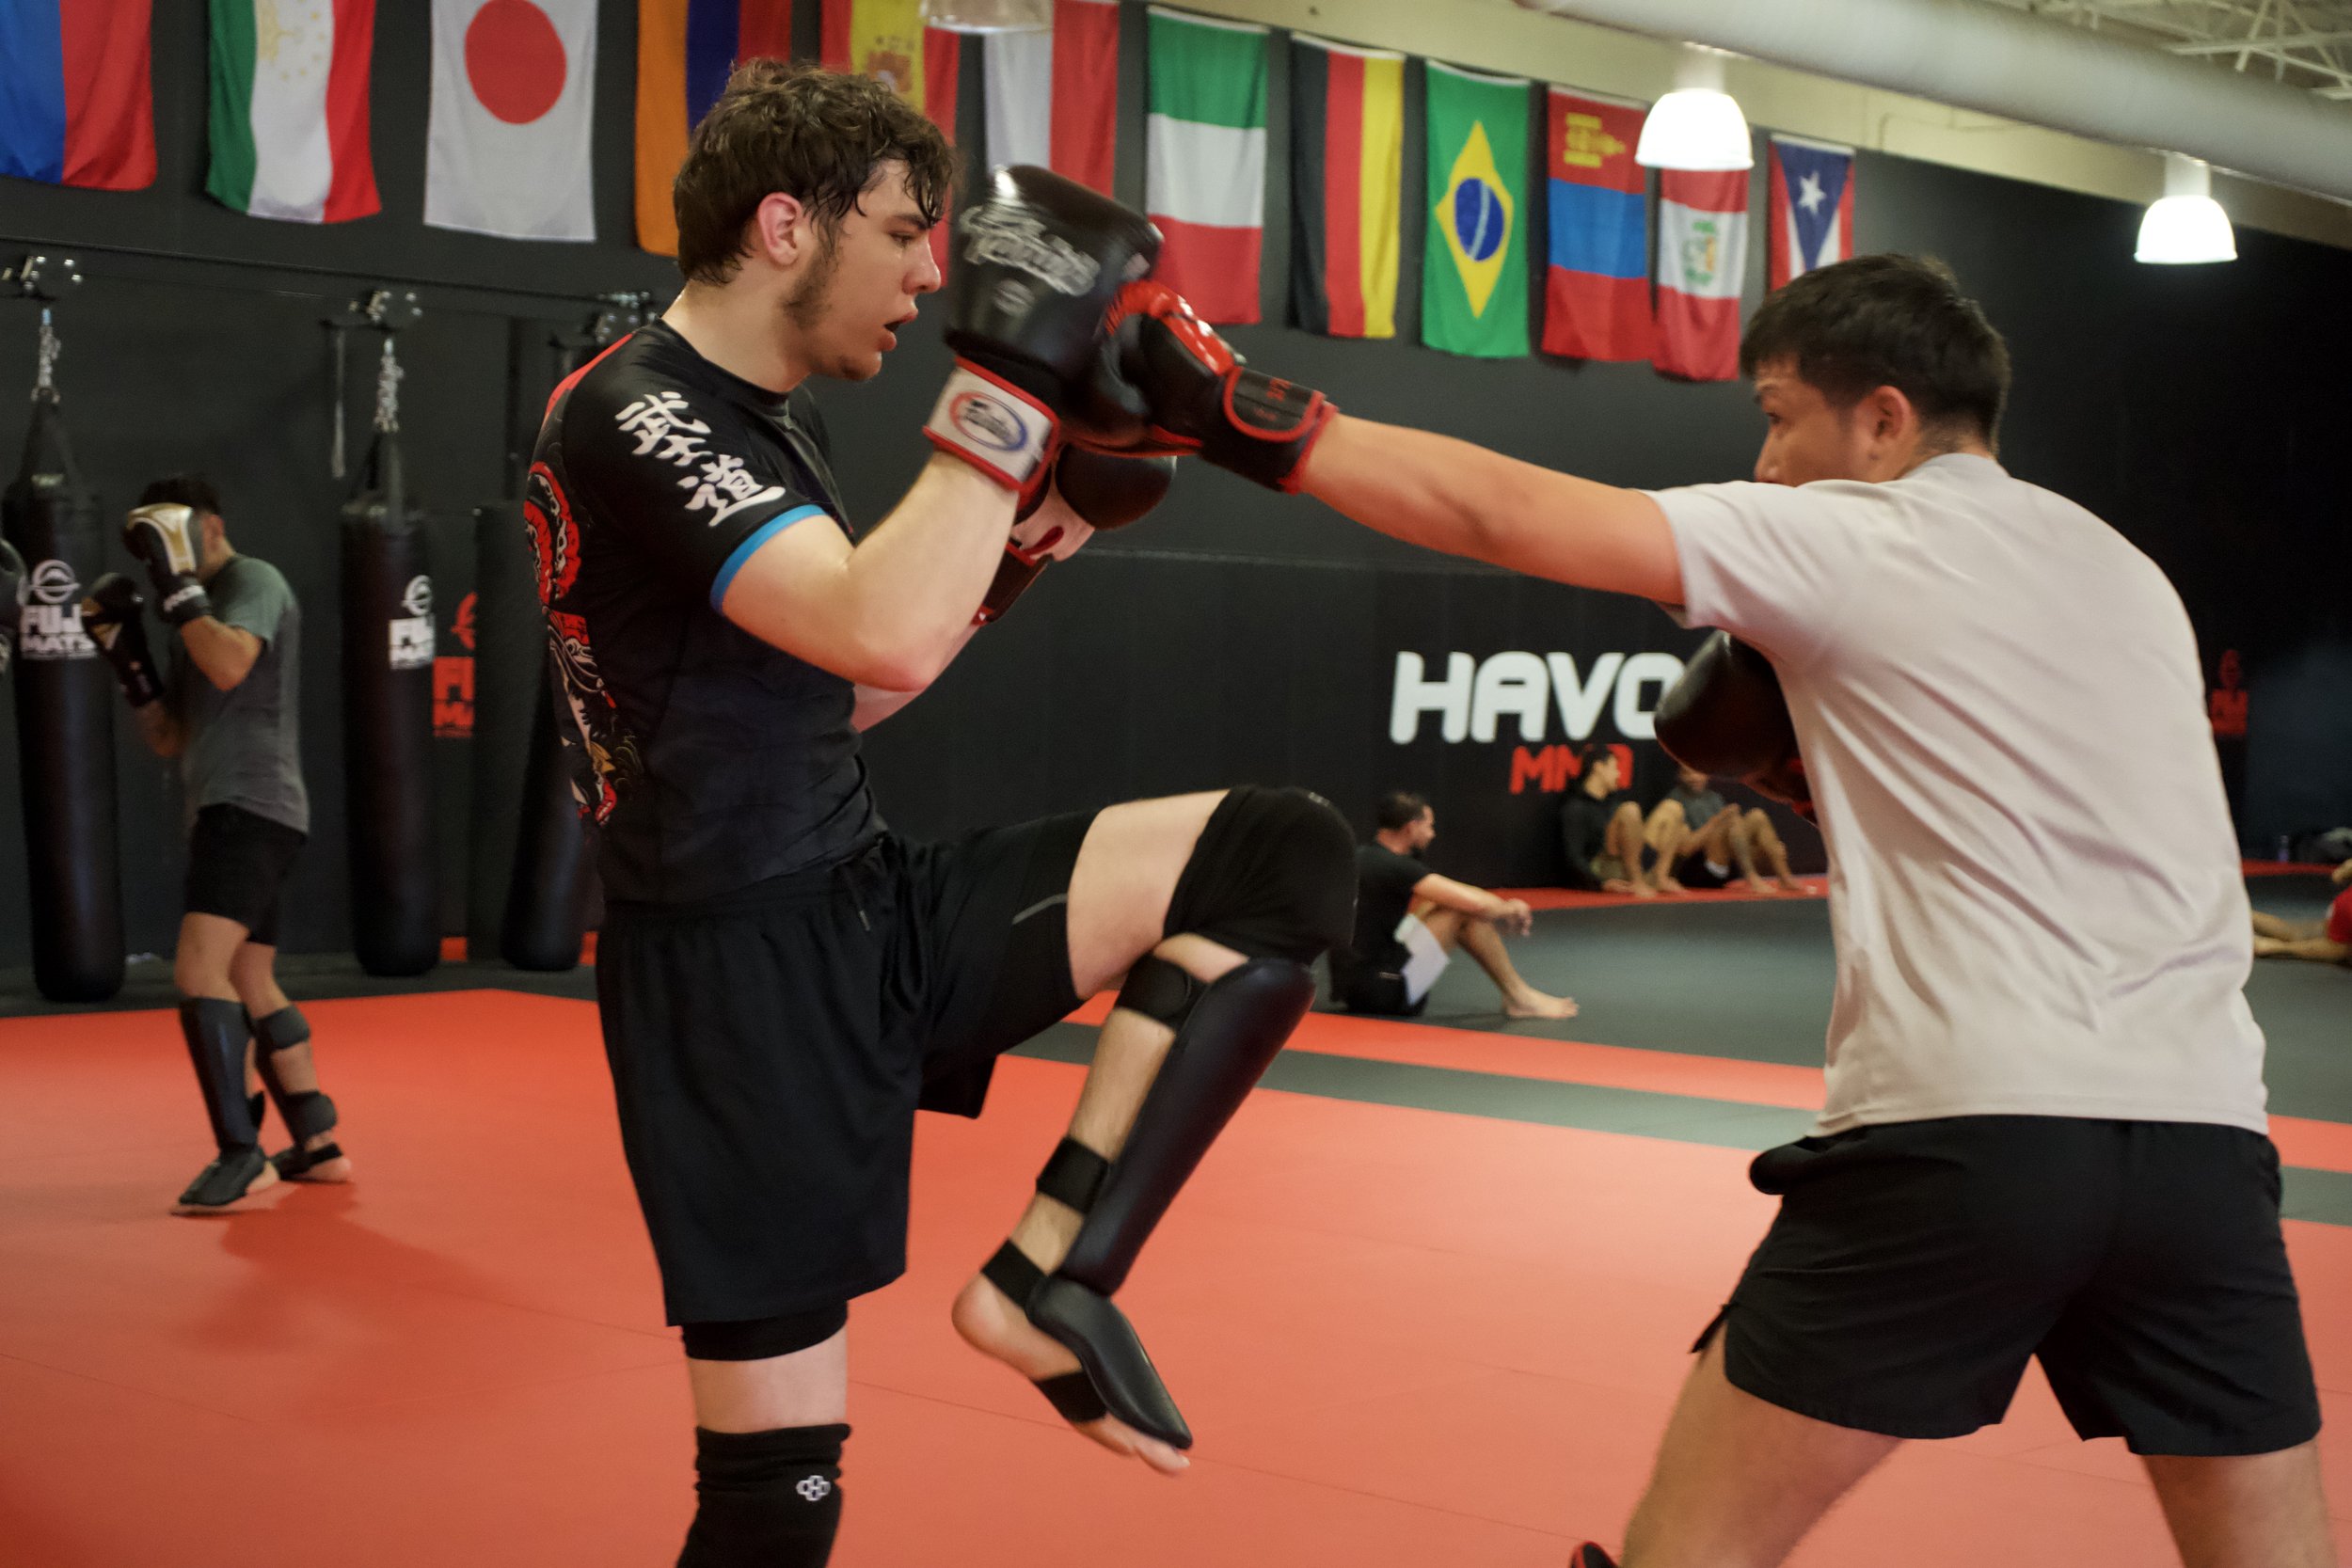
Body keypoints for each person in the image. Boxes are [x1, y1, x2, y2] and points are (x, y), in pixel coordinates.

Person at [1087, 255, 2335, 1566]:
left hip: (1968, 1128)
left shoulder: (1863, 530)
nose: (1768, 456)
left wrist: (1238, 408)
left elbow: (1502, 510)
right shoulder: (2128, 571)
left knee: (1696, 1550)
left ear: (1886, 420)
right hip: (2206, 1143)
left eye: (1783, 412)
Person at [528, 63, 1354, 1567]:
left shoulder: (766, 421)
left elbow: (840, 693)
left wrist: (1040, 532)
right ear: (786, 225)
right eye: (906, 231)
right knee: (778, 1491)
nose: (928, 271)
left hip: (860, 898)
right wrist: (1015, 379)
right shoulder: (634, 410)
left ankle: (1052, 1275)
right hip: (732, 979)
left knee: (1278, 854)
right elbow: (880, 631)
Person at [82, 476, 348, 1215]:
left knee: (199, 972)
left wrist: (176, 592)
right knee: (252, 980)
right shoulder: (187, 614)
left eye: (169, 538)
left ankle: (242, 1152)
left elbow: (232, 662)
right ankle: (319, 1144)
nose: (158, 561)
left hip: (251, 810)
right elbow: (171, 734)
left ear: (211, 528)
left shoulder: (250, 580)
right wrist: (129, 659)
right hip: (238, 811)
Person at [1331, 790, 1577, 1020]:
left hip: (1353, 985)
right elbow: (1474, 903)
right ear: (1410, 828)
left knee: (1436, 904)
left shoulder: (1363, 856)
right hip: (1384, 993)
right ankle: (1519, 996)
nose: (1432, 834)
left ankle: (1519, 996)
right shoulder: (1398, 867)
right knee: (1462, 911)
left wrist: (1494, 912)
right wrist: (1511, 908)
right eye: (1428, 826)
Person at [1645, 762, 1804, 895]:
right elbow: (1685, 848)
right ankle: (1751, 877)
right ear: (1679, 776)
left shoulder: (1714, 797)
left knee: (1757, 816)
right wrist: (1719, 820)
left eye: (1698, 773)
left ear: (1707, 773)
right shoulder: (1675, 802)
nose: (1694, 778)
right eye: (1688, 774)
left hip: (1725, 864)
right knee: (1731, 820)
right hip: (1695, 869)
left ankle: (1785, 877)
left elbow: (1732, 837)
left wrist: (1767, 849)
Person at [1558, 749, 1655, 895]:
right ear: (1598, 767)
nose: (1619, 774)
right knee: (1630, 809)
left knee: (1673, 811)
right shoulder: (1575, 807)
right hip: (1601, 869)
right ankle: (1638, 881)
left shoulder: (1613, 804)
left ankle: (1658, 874)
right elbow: (1573, 857)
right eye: (1615, 768)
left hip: (1627, 864)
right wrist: (1601, 883)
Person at [2251, 858, 2352, 965]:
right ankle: (2276, 948)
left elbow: (2341, 873)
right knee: (2341, 948)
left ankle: (2246, 914)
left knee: (2304, 932)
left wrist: (2345, 870)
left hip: (2345, 899)